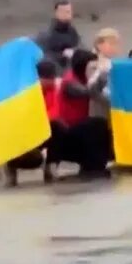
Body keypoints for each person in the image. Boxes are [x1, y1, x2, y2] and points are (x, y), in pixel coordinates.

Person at [51, 49, 112, 178]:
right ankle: (91, 166)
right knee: (97, 124)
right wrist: (100, 75)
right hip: (66, 133)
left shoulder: (85, 79)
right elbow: (89, 92)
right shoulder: (70, 82)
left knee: (104, 125)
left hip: (80, 131)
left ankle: (95, 164)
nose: (94, 70)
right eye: (91, 67)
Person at [5, 59, 65, 186]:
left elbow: (54, 112)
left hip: (41, 127)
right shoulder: (22, 92)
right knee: (30, 156)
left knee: (59, 127)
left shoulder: (53, 89)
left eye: (52, 78)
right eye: (47, 79)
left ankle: (51, 166)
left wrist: (41, 122)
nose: (51, 82)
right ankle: (11, 169)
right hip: (22, 134)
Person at [34, 0, 82, 69]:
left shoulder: (72, 30)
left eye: (69, 11)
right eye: (64, 12)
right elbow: (43, 55)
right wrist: (62, 55)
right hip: (53, 69)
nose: (67, 14)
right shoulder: (47, 33)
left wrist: (74, 52)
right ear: (56, 13)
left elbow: (79, 45)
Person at [87, 28, 120, 119]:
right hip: (99, 113)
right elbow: (93, 90)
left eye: (116, 44)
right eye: (111, 43)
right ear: (99, 45)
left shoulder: (118, 64)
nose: (114, 47)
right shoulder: (93, 65)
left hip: (115, 113)